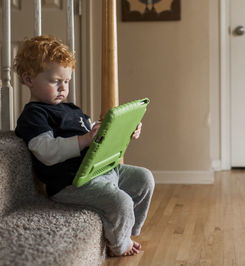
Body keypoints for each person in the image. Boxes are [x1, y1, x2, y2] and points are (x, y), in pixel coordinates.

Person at [13, 35, 155, 257]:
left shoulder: (72, 109)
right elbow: (46, 151)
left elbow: (96, 133)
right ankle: (119, 245)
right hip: (72, 183)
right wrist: (85, 140)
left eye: (66, 81)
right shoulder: (34, 115)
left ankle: (129, 229)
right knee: (122, 202)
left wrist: (125, 131)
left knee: (145, 179)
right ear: (28, 79)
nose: (62, 87)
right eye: (55, 81)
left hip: (100, 169)